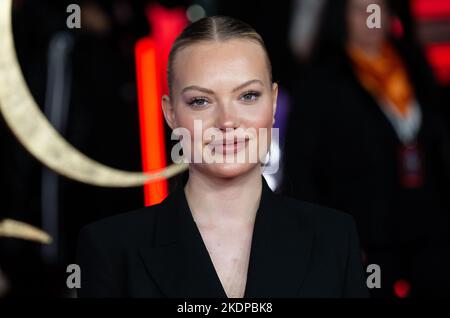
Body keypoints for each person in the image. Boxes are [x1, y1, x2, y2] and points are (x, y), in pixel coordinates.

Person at [77, 15, 368, 298]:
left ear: (274, 101)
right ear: (171, 113)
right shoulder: (111, 250)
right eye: (201, 101)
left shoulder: (335, 240)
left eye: (248, 96)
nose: (227, 120)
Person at [283, 0, 450, 297]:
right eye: (361, 10)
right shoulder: (321, 81)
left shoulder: (412, 63)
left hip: (428, 230)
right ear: (341, 15)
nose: (372, 19)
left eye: (379, 8)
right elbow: (303, 169)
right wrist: (328, 241)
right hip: (365, 237)